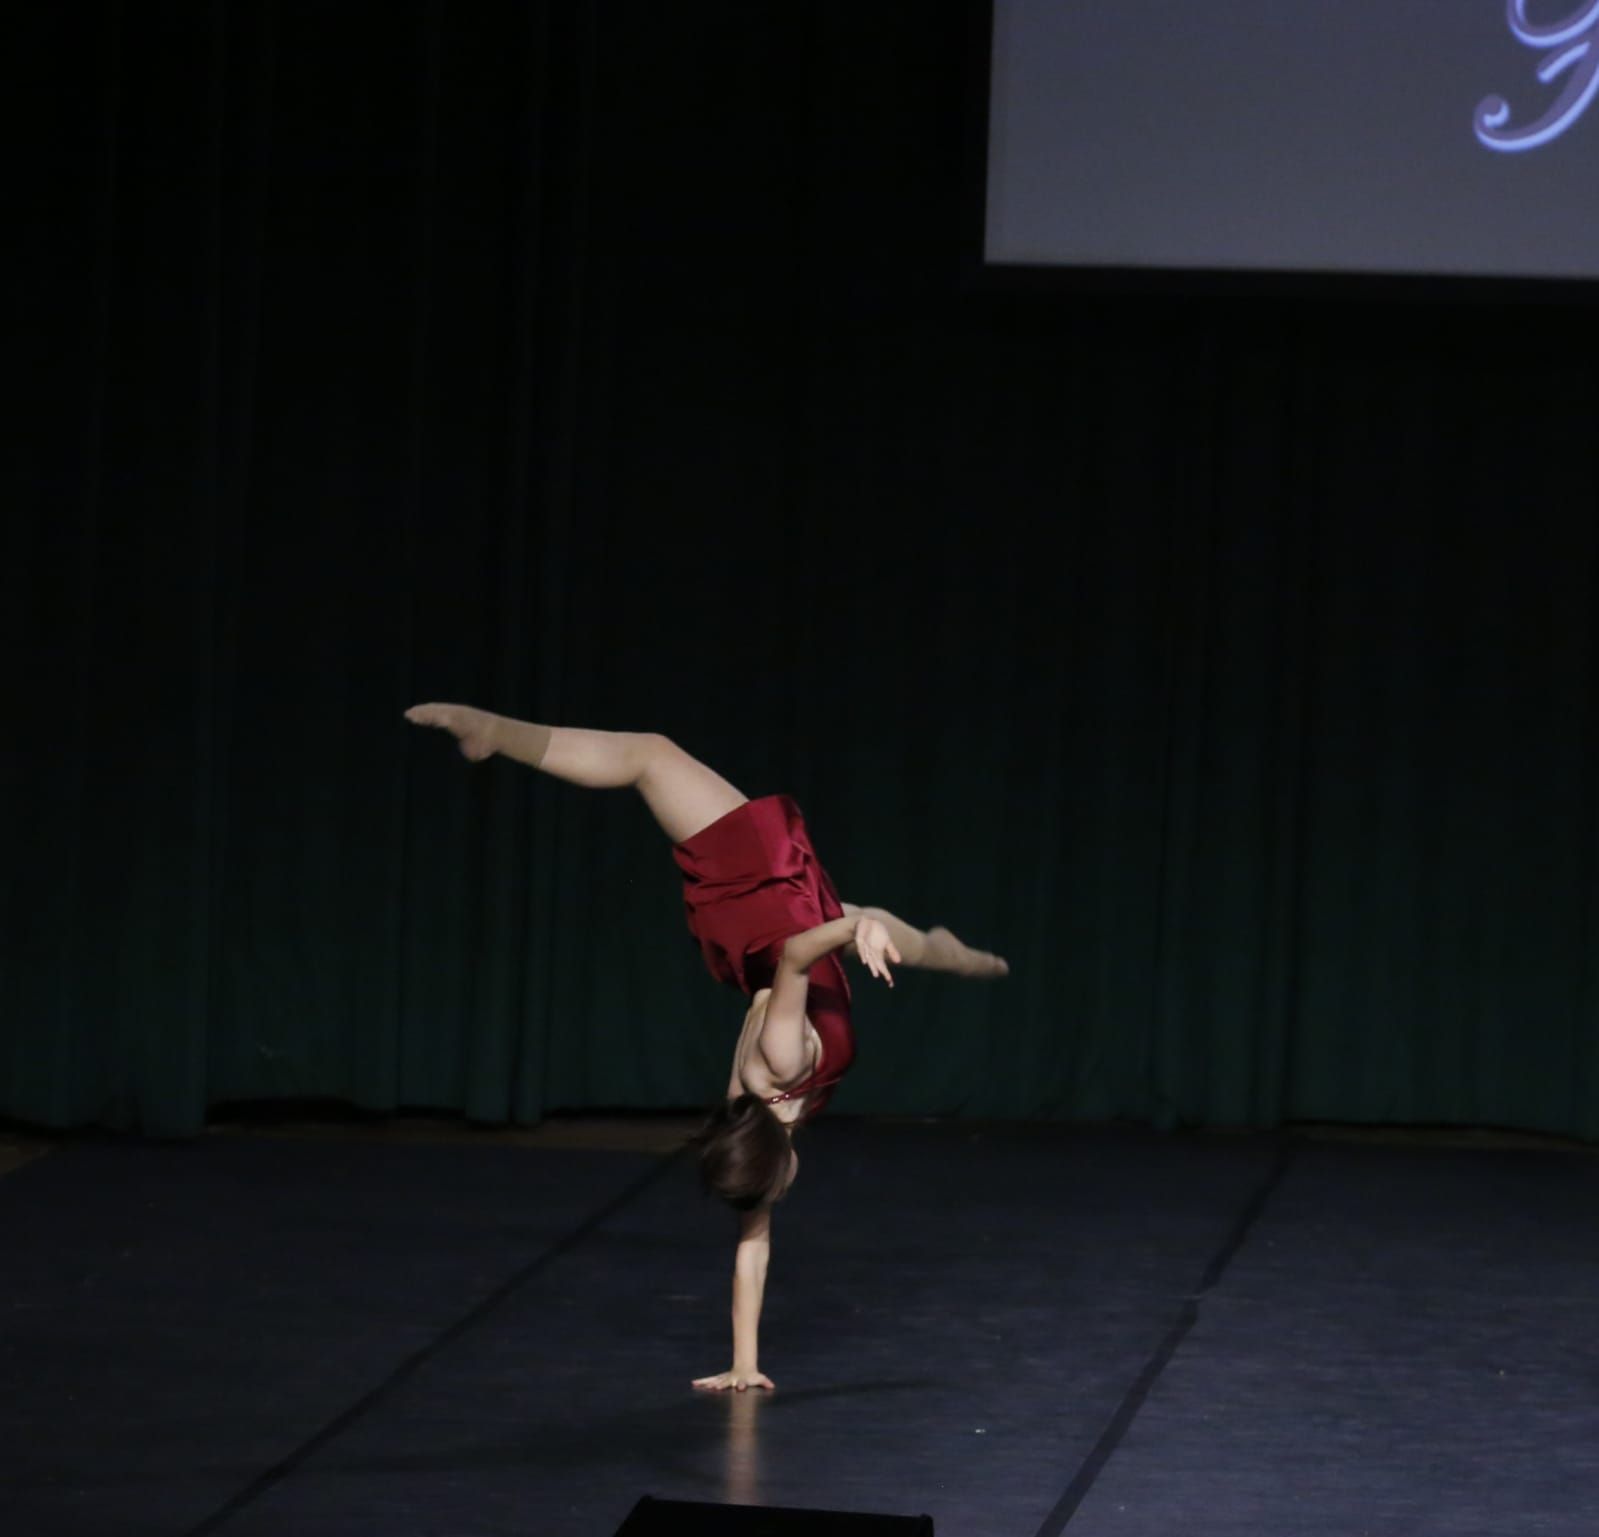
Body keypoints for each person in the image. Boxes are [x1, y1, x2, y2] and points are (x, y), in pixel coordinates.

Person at [405, 703, 1008, 1391]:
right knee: (902, 937)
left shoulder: (779, 1066)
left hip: (770, 903)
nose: (770, 1205)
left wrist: (854, 931)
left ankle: (495, 734)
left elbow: (793, 957)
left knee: (652, 756)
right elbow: (751, 1246)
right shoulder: (754, 1129)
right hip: (797, 927)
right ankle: (946, 951)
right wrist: (744, 1363)